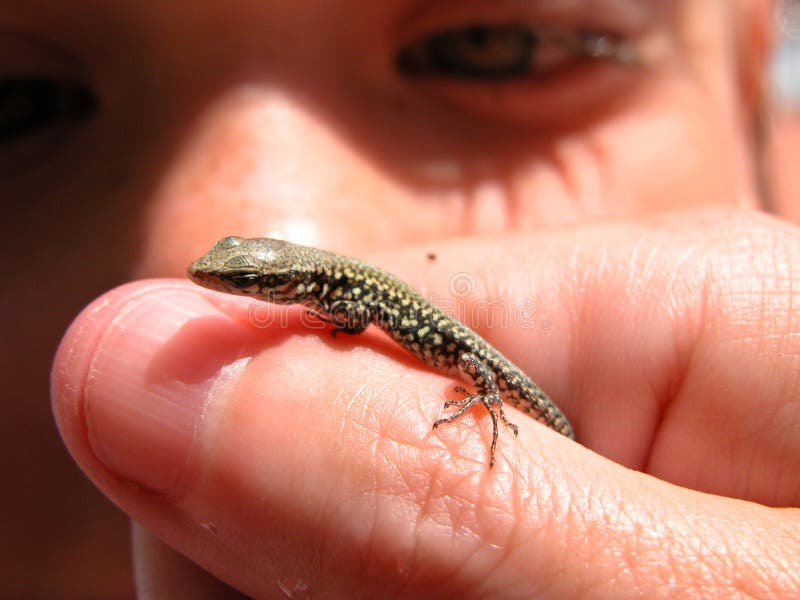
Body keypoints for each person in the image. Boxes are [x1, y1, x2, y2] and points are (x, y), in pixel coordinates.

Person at [2, 0, 797, 596]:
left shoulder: (340, 291)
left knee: (484, 388)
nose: (197, 247)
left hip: (490, 375)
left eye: (494, 46)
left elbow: (361, 321)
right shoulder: (333, 288)